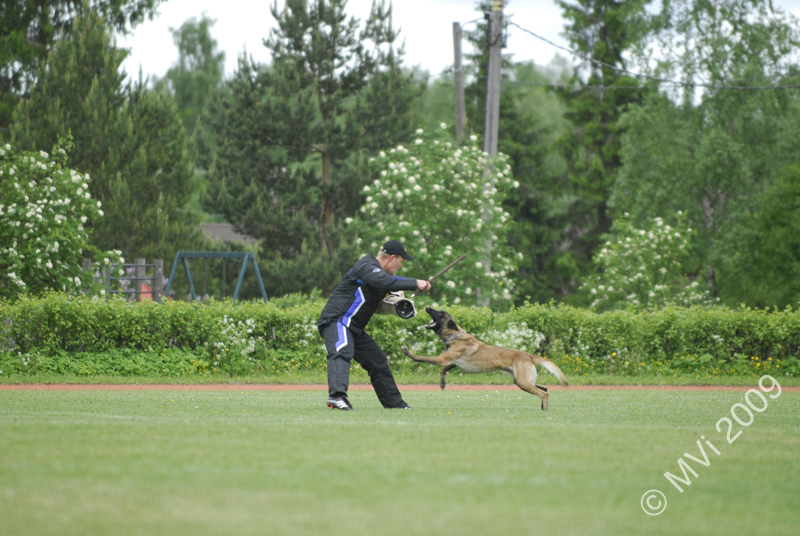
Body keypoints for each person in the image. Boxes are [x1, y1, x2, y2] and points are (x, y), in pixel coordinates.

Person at [318, 240, 431, 410]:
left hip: (353, 327)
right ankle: (337, 396)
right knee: (342, 350)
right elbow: (385, 282)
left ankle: (395, 405)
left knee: (377, 361)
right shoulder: (367, 266)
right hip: (337, 320)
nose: (401, 266)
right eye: (401, 261)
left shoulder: (381, 277)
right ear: (392, 258)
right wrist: (415, 282)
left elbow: (383, 297)